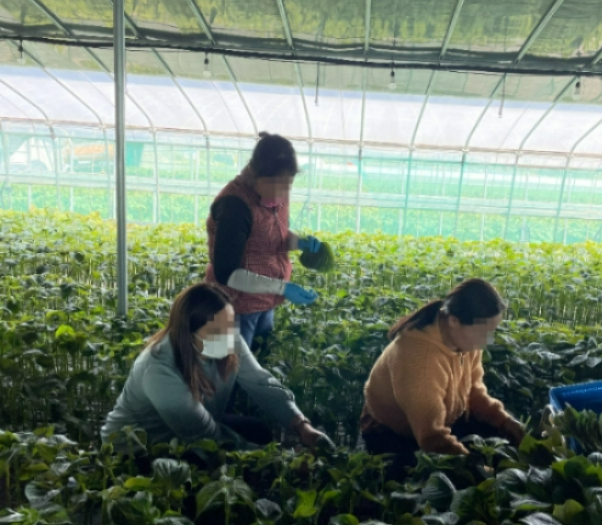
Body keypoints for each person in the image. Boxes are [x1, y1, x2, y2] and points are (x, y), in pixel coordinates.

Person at [101, 283, 331, 452]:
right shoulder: (158, 369)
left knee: (258, 431)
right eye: (215, 332)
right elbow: (205, 438)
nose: (227, 337)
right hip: (141, 447)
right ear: (187, 332)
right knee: (203, 463)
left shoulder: (229, 339)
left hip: (190, 431)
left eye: (230, 326)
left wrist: (302, 426)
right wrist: (282, 460)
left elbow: (261, 383)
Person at [360, 278, 525, 480]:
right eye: (484, 332)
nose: (487, 340)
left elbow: (474, 392)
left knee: (505, 438)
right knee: (426, 480)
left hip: (445, 415)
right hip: (393, 432)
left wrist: (505, 421)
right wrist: (478, 472)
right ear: (454, 321)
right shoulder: (418, 357)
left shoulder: (466, 341)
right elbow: (432, 437)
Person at [204, 132, 326, 352]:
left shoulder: (274, 195)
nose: (284, 192)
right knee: (233, 369)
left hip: (265, 301)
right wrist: (282, 287)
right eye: (278, 184)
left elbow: (271, 237)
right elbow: (227, 273)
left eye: (289, 184)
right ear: (257, 176)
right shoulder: (234, 206)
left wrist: (300, 243)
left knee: (261, 359)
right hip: (236, 306)